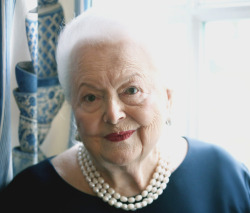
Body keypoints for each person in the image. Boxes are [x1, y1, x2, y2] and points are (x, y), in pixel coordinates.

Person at [1, 8, 249, 213]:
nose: (113, 114)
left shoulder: (224, 177)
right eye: (90, 97)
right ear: (74, 111)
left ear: (167, 98)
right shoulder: (29, 197)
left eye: (131, 90)